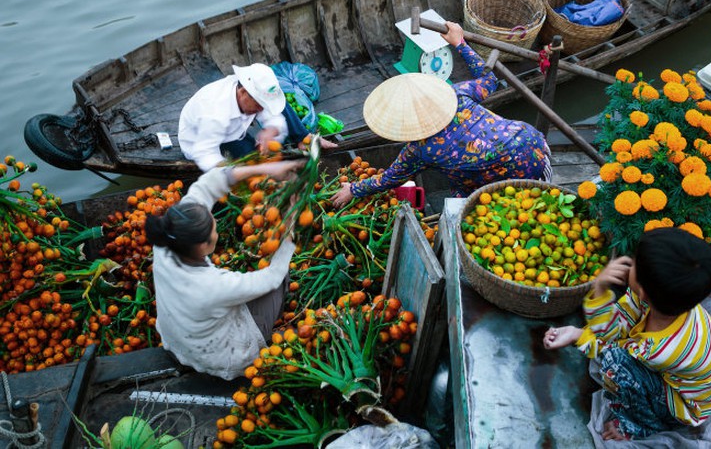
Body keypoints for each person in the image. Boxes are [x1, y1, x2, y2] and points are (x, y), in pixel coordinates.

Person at [331, 21, 551, 208]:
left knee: (459, 199)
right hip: (533, 144)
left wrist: (353, 189)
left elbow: (389, 179)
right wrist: (459, 43)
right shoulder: (457, 94)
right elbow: (489, 80)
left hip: (520, 172)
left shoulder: (418, 151)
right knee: (460, 182)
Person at [543, 228, 711, 441]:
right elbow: (618, 326)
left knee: (615, 364)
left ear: (643, 290)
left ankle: (641, 426)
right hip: (687, 380)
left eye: (635, 264)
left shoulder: (659, 350)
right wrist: (582, 331)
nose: (629, 262)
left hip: (682, 405)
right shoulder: (669, 303)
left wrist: (582, 329)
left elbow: (612, 346)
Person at [145, 159, 303, 380]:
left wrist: (265, 169)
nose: (216, 227)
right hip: (224, 358)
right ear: (204, 246)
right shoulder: (212, 286)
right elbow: (272, 278)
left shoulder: (167, 239)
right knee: (280, 272)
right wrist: (291, 227)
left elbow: (209, 183)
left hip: (177, 342)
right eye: (214, 229)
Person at [178, 62, 335, 172]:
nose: (261, 110)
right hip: (204, 142)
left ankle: (303, 137)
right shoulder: (215, 115)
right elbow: (204, 154)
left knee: (280, 105)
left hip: (233, 128)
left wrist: (271, 130)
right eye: (259, 104)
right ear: (243, 92)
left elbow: (273, 113)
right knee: (253, 161)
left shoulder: (249, 94)